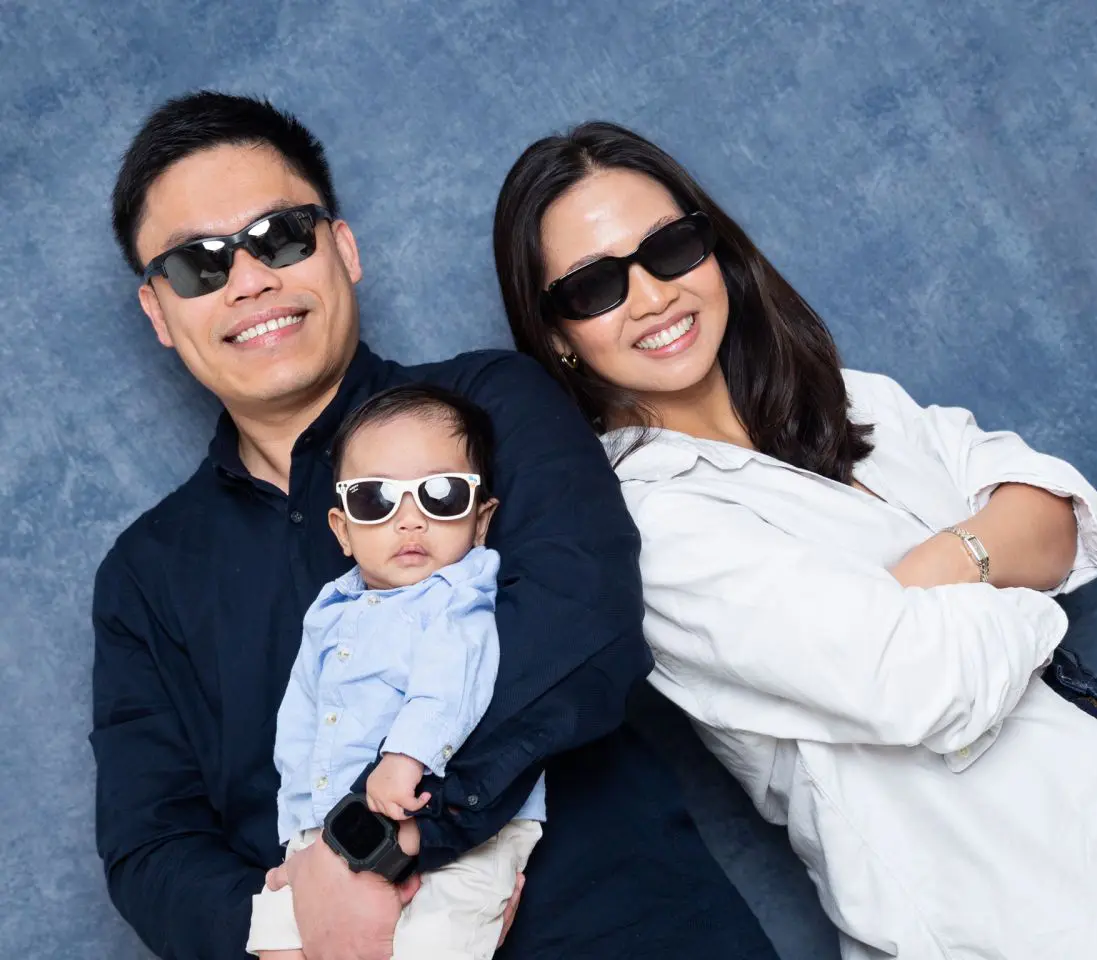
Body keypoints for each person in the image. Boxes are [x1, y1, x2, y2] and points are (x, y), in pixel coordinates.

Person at [91, 93, 782, 960]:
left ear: (343, 249)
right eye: (199, 265)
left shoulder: (494, 405)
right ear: (158, 311)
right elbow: (150, 845)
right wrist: (291, 937)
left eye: (282, 237)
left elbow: (585, 624)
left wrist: (370, 843)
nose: (249, 279)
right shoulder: (146, 577)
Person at [493, 120, 1097, 960]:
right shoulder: (643, 529)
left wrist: (936, 570)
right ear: (558, 338)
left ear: (713, 246)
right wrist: (1005, 569)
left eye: (671, 247)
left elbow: (1064, 514)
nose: (651, 297)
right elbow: (920, 683)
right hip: (1000, 919)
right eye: (593, 287)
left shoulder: (845, 397)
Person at [248, 384, 544, 960]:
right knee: (275, 937)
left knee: (434, 942)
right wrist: (299, 829)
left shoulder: (460, 596)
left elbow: (453, 683)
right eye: (376, 501)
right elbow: (300, 720)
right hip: (331, 829)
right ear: (342, 529)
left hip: (459, 835)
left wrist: (404, 759)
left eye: (440, 495)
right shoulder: (330, 612)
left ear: (481, 521)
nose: (410, 521)